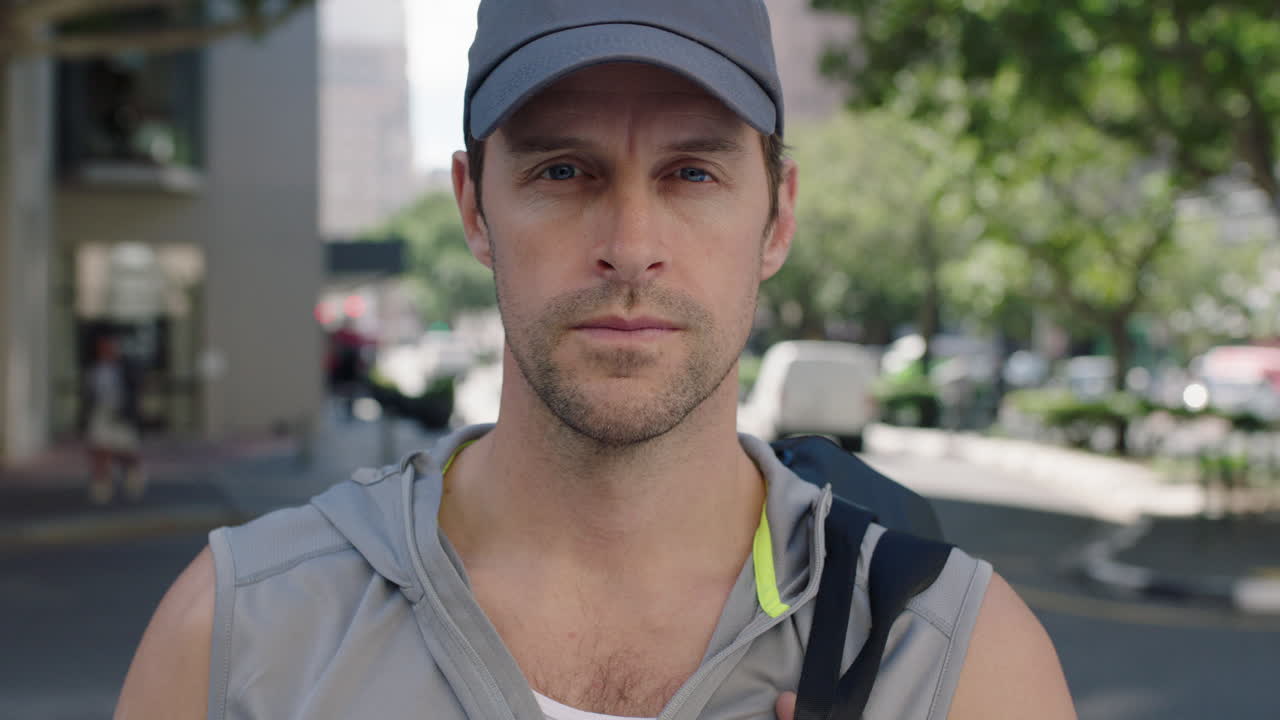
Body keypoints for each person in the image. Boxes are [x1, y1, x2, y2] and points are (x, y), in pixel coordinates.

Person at [116, 1, 1077, 718]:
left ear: (777, 215)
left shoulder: (953, 660)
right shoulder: (240, 636)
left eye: (692, 173)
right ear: (473, 206)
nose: (629, 241)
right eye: (562, 171)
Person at [81, 333, 146, 504]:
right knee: (99, 450)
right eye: (104, 347)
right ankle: (102, 485)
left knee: (128, 451)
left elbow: (136, 390)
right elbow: (89, 396)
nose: (108, 350)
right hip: (101, 414)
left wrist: (133, 411)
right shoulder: (94, 370)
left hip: (122, 416)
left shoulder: (126, 368)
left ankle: (133, 478)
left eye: (111, 347)